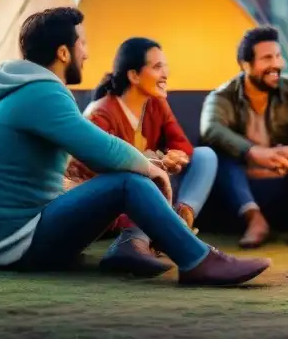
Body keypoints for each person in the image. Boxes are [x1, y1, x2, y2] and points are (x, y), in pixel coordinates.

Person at [0, 7, 269, 285]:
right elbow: (101, 150)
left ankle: (145, 243)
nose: (87, 54)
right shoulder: (41, 92)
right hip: (10, 245)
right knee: (127, 183)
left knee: (137, 176)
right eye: (83, 44)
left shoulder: (17, 87)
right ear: (64, 53)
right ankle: (198, 261)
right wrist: (153, 171)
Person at [64, 37, 218, 275]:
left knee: (205, 156)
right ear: (134, 76)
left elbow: (182, 145)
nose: (165, 74)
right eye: (157, 67)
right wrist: (154, 162)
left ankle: (182, 219)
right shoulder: (100, 114)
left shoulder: (156, 104)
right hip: (114, 201)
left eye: (165, 66)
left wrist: (175, 156)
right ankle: (155, 233)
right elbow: (103, 172)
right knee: (142, 183)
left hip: (153, 185)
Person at [200, 26, 288, 249]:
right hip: (244, 187)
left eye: (278, 56)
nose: (277, 64)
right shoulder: (222, 96)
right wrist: (253, 152)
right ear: (246, 65)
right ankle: (254, 220)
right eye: (267, 58)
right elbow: (211, 128)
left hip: (284, 178)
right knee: (219, 152)